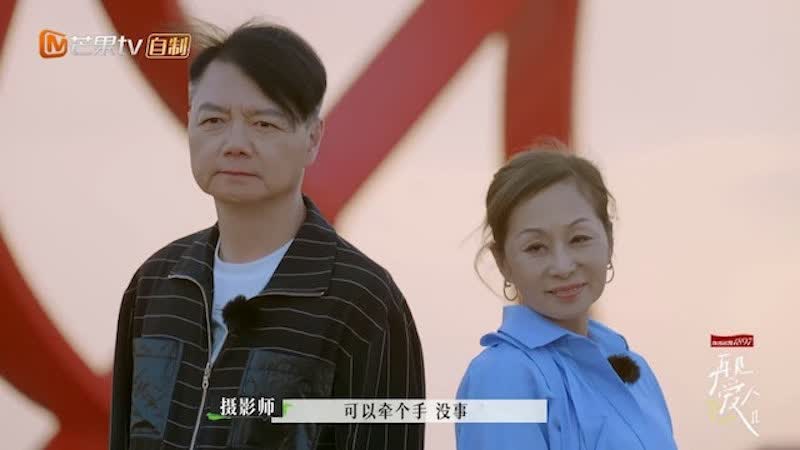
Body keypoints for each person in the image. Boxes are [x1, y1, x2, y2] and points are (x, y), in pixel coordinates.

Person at [109, 21, 425, 450]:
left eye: (264, 124)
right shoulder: (157, 283)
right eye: (214, 120)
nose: (235, 144)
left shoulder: (362, 301)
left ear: (312, 138)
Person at [455, 142, 677, 449]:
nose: (562, 266)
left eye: (579, 239)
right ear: (502, 262)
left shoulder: (633, 370)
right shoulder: (501, 376)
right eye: (535, 247)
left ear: (609, 240)